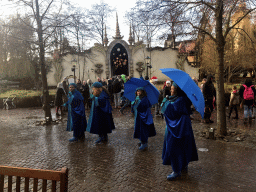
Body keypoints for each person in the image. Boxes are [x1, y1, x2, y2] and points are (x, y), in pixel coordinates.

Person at [161, 82, 198, 180]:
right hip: (182, 127)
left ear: (178, 91)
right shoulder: (181, 99)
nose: (171, 90)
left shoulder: (180, 100)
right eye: (171, 88)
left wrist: (166, 103)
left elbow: (172, 113)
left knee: (174, 147)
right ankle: (183, 165)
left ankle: (177, 171)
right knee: (183, 146)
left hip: (177, 129)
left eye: (173, 89)